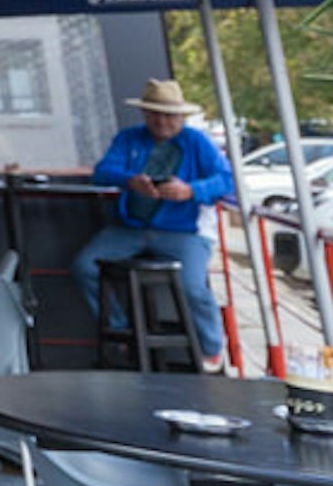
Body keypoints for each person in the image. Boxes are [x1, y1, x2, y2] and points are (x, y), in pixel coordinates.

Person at [71, 77, 235, 342]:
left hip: (185, 232)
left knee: (193, 288)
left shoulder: (197, 141)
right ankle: (120, 331)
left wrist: (190, 191)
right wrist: (130, 181)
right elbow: (102, 172)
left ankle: (211, 346)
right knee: (84, 266)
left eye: (170, 116)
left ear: (181, 117)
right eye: (156, 114)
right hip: (130, 228)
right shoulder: (128, 138)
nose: (162, 122)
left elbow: (227, 180)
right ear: (145, 114)